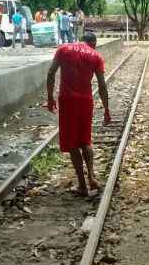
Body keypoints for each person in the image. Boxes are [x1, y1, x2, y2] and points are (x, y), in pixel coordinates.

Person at [46, 32, 110, 196]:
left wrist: (50, 98)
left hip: (67, 101)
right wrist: (107, 109)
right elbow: (102, 85)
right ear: (93, 43)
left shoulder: (63, 49)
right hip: (85, 100)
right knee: (85, 140)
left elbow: (51, 73)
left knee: (73, 143)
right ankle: (92, 177)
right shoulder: (96, 56)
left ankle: (82, 185)